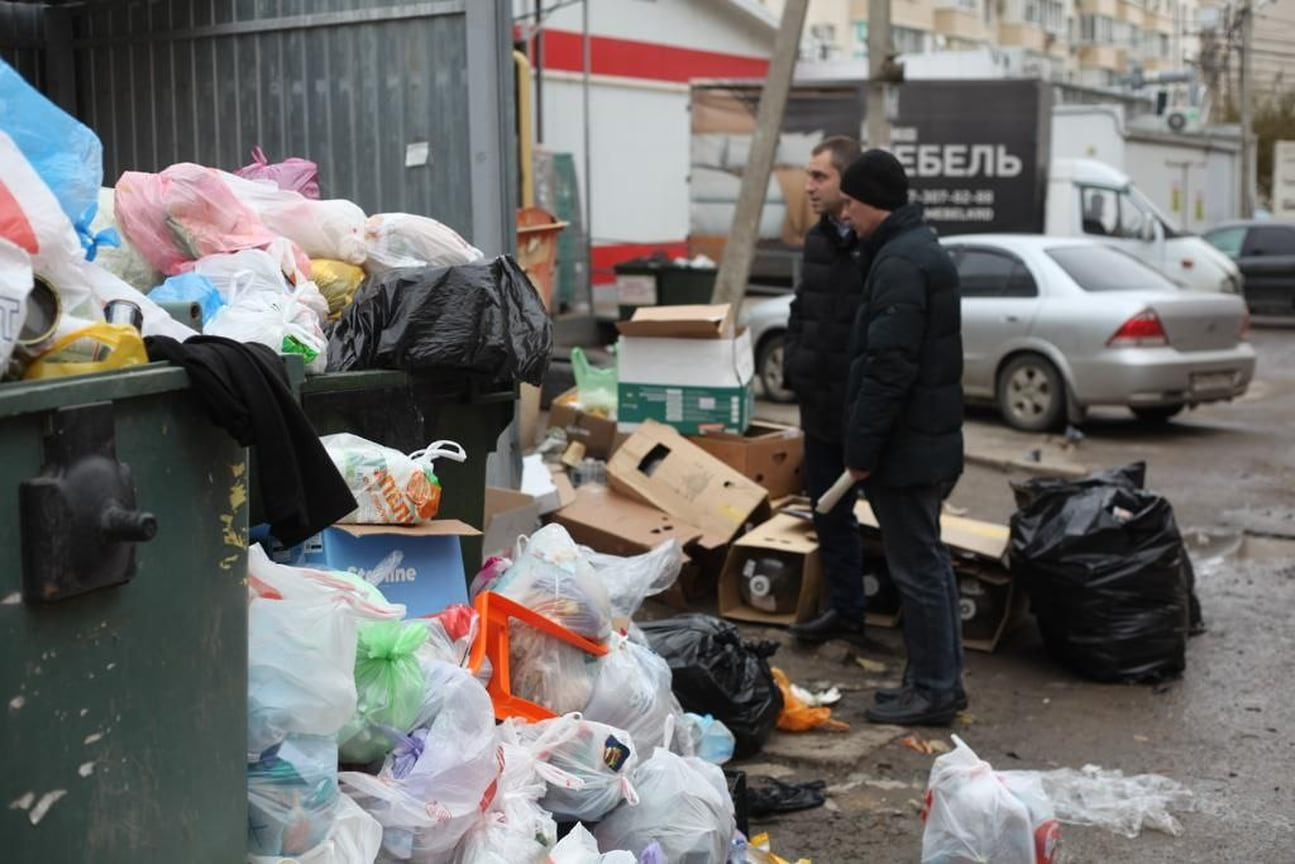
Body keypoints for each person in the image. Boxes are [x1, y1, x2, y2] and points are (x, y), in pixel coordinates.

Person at [838, 149, 967, 727]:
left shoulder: (899, 264)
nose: (845, 214)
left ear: (873, 203)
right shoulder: (914, 252)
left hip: (905, 450)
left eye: (850, 202)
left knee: (918, 571)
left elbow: (888, 367)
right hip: (924, 443)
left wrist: (861, 453)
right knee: (928, 566)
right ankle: (934, 681)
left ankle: (935, 689)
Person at [782, 136, 871, 645]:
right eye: (809, 175)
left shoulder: (873, 244)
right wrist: (797, 361)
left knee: (899, 526)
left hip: (863, 409)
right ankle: (846, 611)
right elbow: (803, 307)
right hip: (820, 407)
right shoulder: (818, 239)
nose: (809, 186)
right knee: (828, 512)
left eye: (820, 177)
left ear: (847, 183)